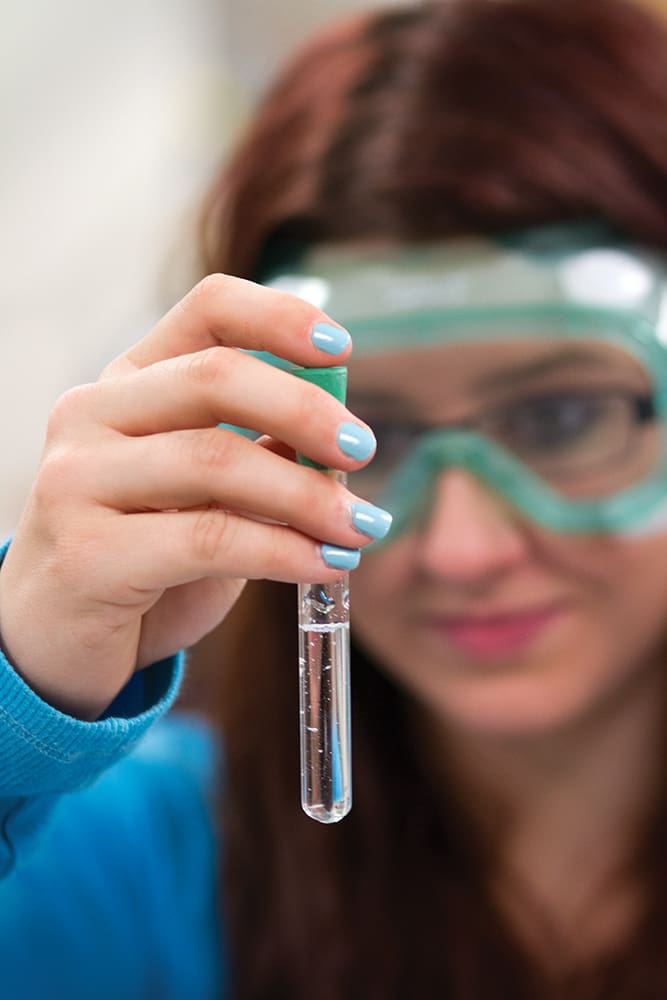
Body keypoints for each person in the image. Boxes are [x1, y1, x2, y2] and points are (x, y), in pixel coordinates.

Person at [1, 0, 667, 997]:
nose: (462, 550)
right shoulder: (130, 869)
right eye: (372, 439)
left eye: (562, 417)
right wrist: (21, 710)